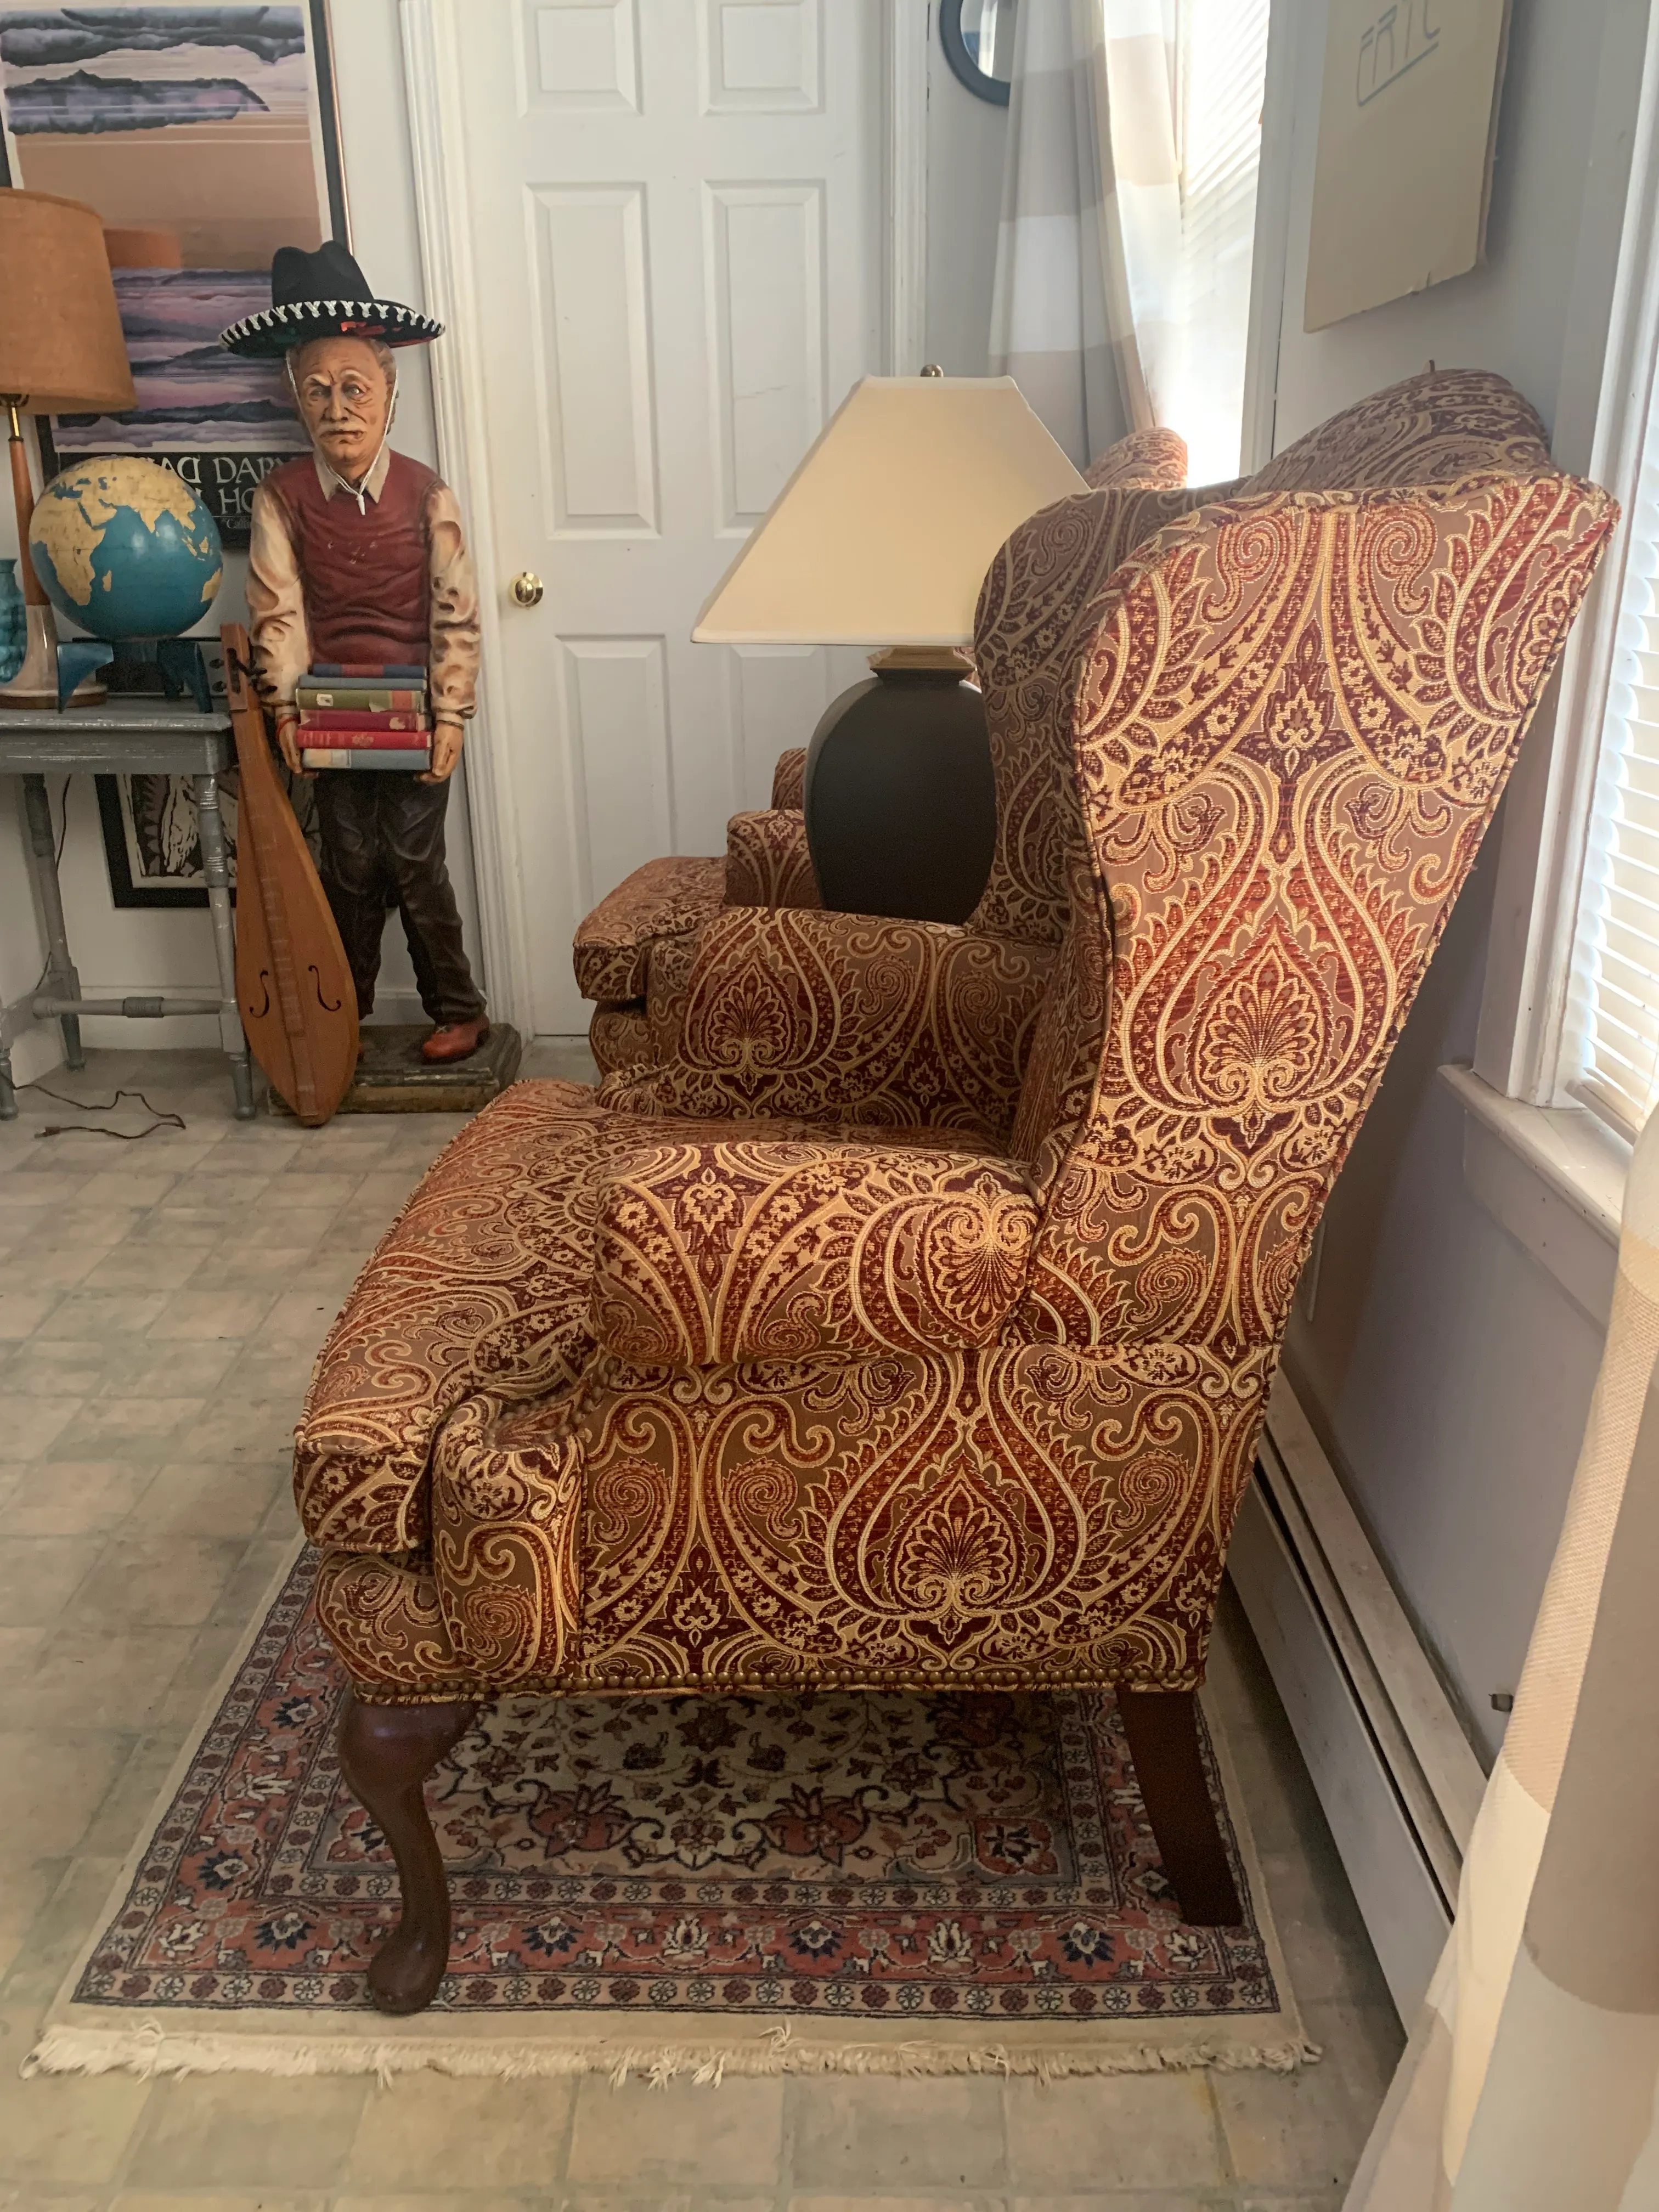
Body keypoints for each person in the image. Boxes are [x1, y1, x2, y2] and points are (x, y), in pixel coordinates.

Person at [222, 241, 488, 1063]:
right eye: (318, 391)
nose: (339, 409)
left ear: (389, 394)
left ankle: (457, 1005)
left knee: (415, 864)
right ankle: (347, 1007)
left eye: (355, 389)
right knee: (346, 866)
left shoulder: (426, 491)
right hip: (329, 713)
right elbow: (278, 609)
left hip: (413, 708)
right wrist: (285, 713)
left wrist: (452, 715)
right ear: (294, 399)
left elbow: (456, 611)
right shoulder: (284, 498)